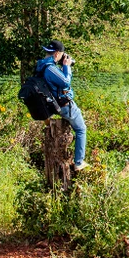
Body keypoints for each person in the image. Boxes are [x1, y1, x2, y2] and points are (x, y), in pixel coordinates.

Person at [36, 39, 89, 171]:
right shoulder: (50, 69)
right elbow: (65, 82)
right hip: (64, 105)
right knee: (81, 129)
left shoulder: (42, 66)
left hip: (53, 105)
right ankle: (79, 162)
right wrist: (67, 66)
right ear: (57, 53)